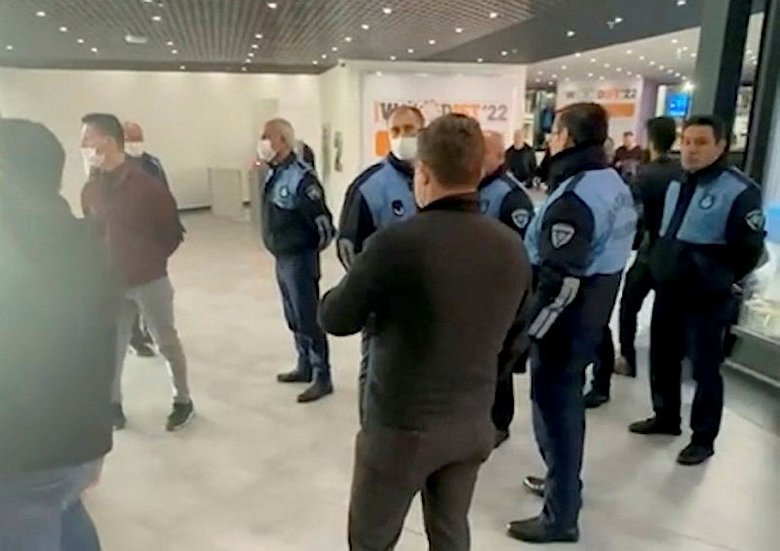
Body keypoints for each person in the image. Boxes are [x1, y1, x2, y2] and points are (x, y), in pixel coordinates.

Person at [320, 113, 532, 551]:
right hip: (472, 421)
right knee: (451, 531)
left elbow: (336, 319)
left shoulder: (395, 244)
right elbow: (516, 338)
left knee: (372, 539)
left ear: (423, 173)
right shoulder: (510, 247)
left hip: (402, 426)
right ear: (478, 171)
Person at [509, 103, 636, 544]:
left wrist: (528, 333)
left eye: (554, 132)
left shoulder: (575, 197)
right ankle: (562, 485)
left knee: (557, 412)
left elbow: (559, 280)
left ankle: (560, 516)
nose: (549, 140)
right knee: (564, 409)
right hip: (592, 314)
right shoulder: (610, 181)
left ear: (566, 137)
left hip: (565, 323)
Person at [0, 119, 115, 550]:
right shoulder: (78, 236)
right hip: (79, 438)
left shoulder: (14, 252)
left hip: (25, 451)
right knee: (66, 513)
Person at [629, 115, 765, 466]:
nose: (691, 149)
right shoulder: (678, 181)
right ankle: (666, 416)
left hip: (707, 297)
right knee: (663, 356)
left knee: (704, 368)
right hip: (670, 288)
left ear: (721, 146)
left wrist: (718, 277)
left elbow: (749, 248)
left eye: (701, 142)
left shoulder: (739, 190)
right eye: (687, 141)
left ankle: (703, 438)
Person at [80, 113, 193, 432]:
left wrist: (147, 261)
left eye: (88, 138)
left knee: (165, 341)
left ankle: (183, 400)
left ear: (108, 141)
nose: (83, 146)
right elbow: (92, 230)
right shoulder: (93, 188)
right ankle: (113, 404)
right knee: (114, 346)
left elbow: (172, 233)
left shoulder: (145, 186)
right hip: (111, 283)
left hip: (148, 279)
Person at [585, 117, 682, 408]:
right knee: (666, 319)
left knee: (628, 306)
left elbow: (633, 215)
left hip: (650, 250)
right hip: (674, 253)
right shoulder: (681, 173)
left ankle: (625, 359)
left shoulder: (644, 175)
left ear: (649, 139)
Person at [337, 105, 424, 419]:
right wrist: (371, 290)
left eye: (409, 130)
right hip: (384, 305)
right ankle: (371, 427)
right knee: (375, 367)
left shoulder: (437, 178)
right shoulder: (368, 186)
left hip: (429, 301)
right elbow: (348, 247)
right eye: (396, 131)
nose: (403, 137)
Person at [259, 118, 336, 403]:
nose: (262, 142)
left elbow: (323, 224)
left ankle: (322, 376)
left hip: (299, 259)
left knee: (308, 316)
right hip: (282, 257)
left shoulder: (301, 178)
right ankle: (304, 365)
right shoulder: (275, 173)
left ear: (282, 140)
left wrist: (307, 250)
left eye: (266, 136)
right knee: (292, 315)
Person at [481, 130, 535, 448]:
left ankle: (500, 422)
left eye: (484, 152)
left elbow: (522, 252)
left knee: (499, 360)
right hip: (474, 294)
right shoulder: (472, 187)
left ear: (500, 157)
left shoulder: (511, 197)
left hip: (500, 295)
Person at [122, 121, 172, 359]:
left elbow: (165, 194)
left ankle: (150, 329)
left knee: (153, 288)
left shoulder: (153, 164)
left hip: (152, 238)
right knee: (132, 289)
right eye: (130, 138)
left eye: (138, 137)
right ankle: (133, 336)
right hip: (127, 239)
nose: (135, 143)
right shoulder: (114, 167)